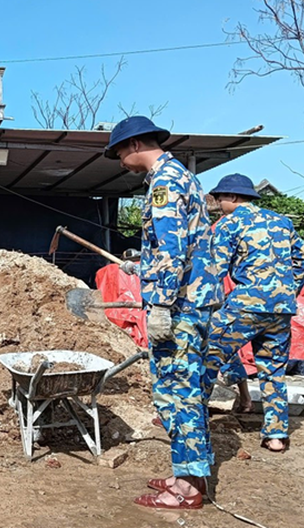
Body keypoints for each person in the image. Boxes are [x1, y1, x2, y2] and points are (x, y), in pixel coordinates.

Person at [106, 116, 222, 510]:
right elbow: (177, 248)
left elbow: (173, 252)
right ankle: (185, 473)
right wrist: (139, 266)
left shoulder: (165, 182)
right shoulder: (181, 176)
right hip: (189, 301)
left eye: (120, 151)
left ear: (136, 144)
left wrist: (160, 305)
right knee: (179, 392)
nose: (120, 159)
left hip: (180, 309)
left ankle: (188, 489)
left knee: (178, 394)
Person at [205, 174, 304, 452]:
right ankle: (276, 437)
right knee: (273, 371)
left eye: (219, 199)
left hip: (246, 305)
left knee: (207, 357)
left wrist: (205, 305)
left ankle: (190, 419)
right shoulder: (281, 221)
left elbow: (214, 270)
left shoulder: (229, 224)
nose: (217, 204)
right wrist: (287, 291)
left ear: (232, 197)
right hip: (281, 310)